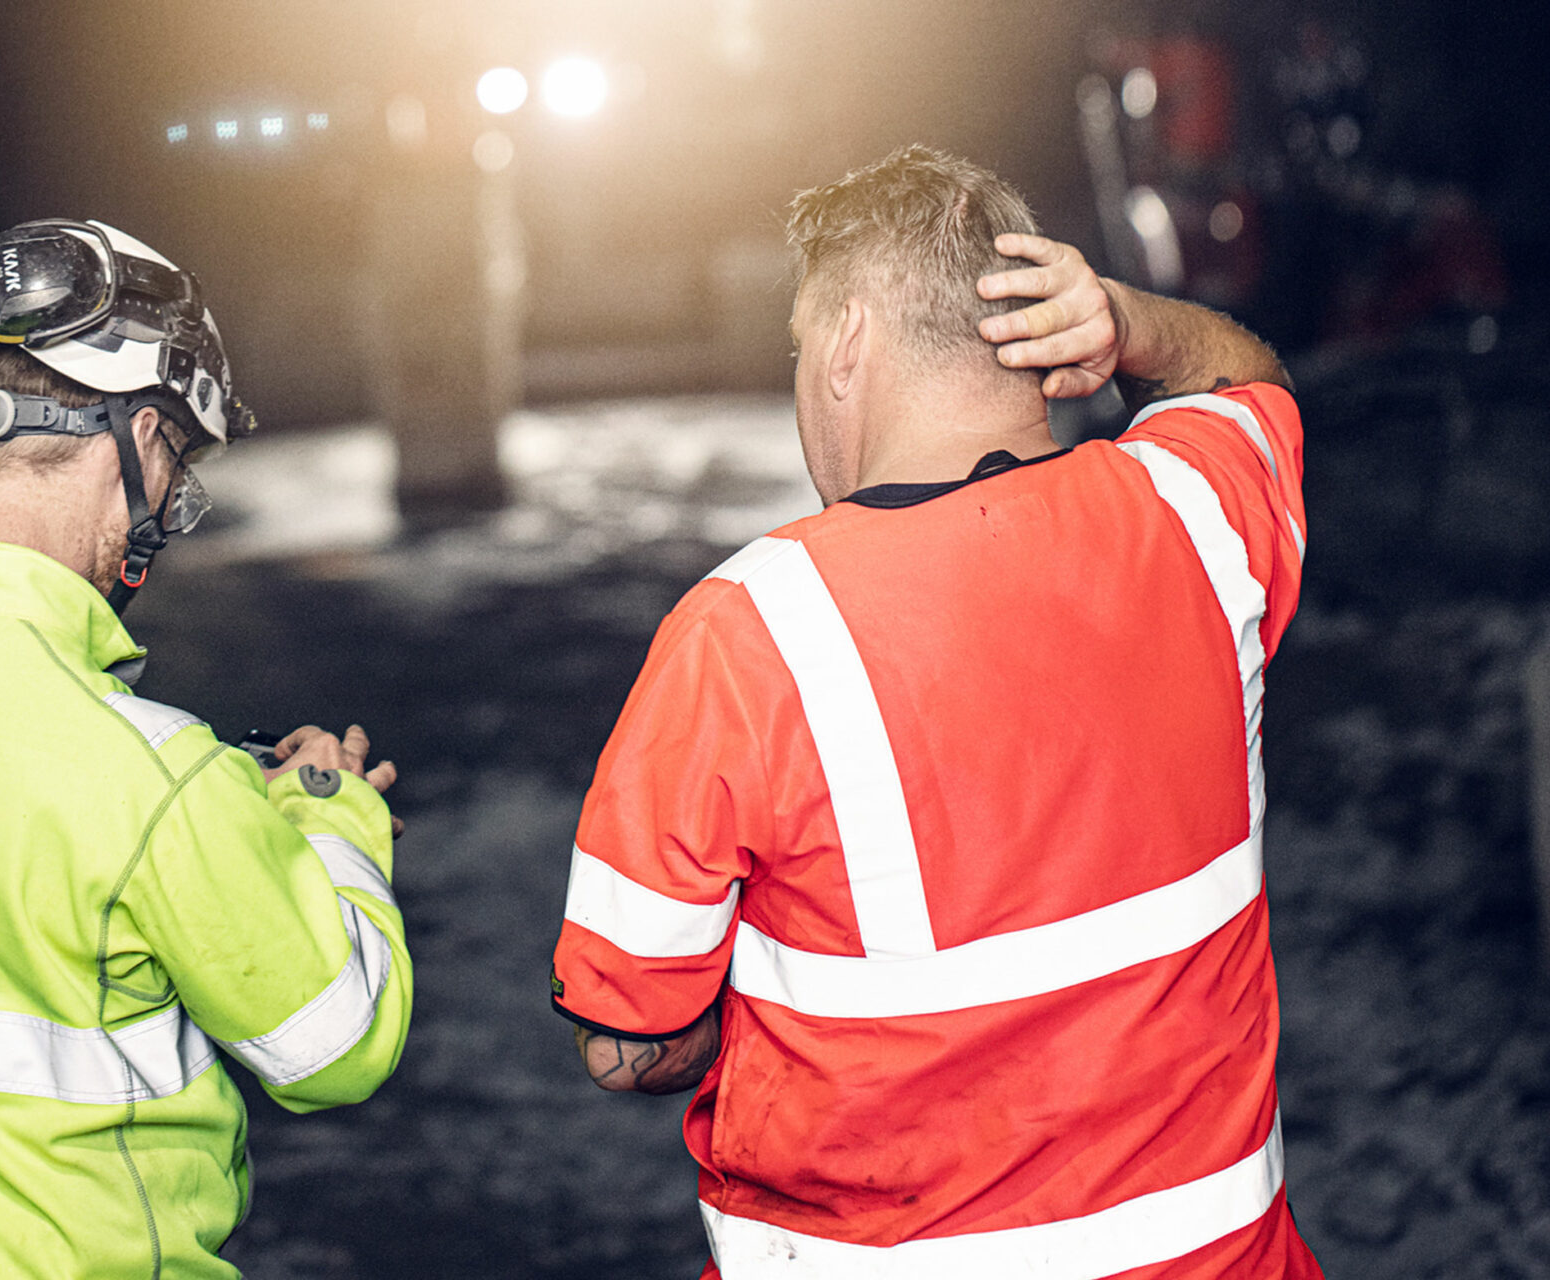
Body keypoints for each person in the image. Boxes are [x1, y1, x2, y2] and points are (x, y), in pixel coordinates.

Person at [550, 146, 1322, 1277]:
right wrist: (1125, 323)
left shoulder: (745, 631)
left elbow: (630, 1037)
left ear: (848, 342)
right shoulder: (1194, 518)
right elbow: (1248, 383)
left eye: (803, 348)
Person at [0, 200, 412, 1279]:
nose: (168, 507)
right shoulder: (152, 774)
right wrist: (329, 817)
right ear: (140, 437)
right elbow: (335, 1043)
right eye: (176, 471)